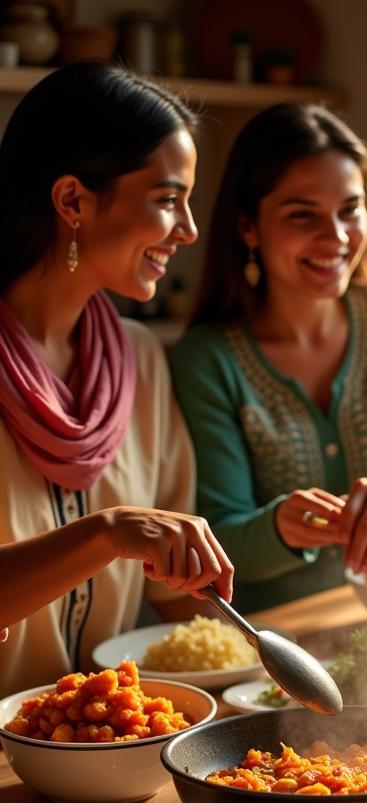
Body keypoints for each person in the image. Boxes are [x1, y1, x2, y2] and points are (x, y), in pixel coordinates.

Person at [171, 103, 367, 613]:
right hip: (270, 646)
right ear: (248, 226)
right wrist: (278, 528)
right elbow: (216, 538)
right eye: (302, 215)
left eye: (349, 210)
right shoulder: (207, 359)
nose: (335, 236)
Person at [0, 63, 233, 698]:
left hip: (98, 745)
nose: (187, 229)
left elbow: (173, 588)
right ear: (73, 200)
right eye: (166, 200)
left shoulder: (140, 361)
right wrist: (105, 534)